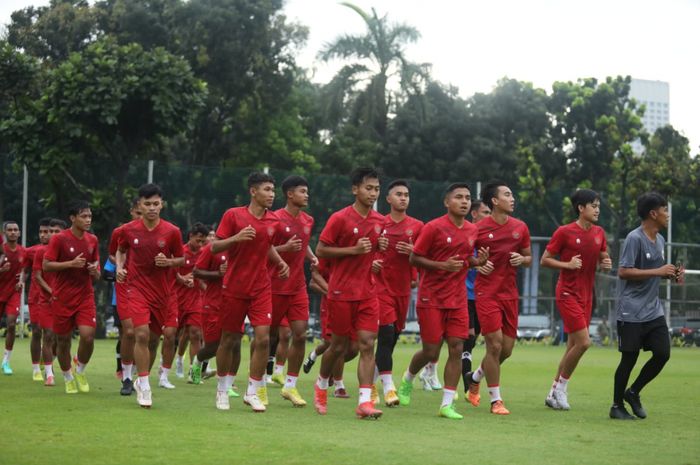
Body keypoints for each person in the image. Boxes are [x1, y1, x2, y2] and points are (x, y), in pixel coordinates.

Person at [397, 183, 488, 419]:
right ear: (447, 202)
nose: (465, 201)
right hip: (431, 297)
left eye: (468, 198)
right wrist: (442, 266)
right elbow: (414, 258)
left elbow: (465, 257)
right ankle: (408, 378)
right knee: (430, 350)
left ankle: (447, 404)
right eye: (459, 197)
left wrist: (476, 262)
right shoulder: (433, 228)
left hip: (457, 299)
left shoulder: (471, 230)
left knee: (457, 348)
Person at [211, 172, 289, 413]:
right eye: (267, 190)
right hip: (234, 286)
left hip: (261, 287)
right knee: (229, 339)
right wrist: (237, 237)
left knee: (264, 338)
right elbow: (214, 246)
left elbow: (267, 246)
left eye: (273, 191)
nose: (271, 195)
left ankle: (252, 392)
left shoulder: (274, 221)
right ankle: (223, 388)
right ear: (253, 191)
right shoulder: (233, 215)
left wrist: (279, 262)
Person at [313, 167, 388, 419]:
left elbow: (374, 251)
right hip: (340, 292)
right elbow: (321, 250)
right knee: (338, 347)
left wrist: (380, 248)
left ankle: (365, 402)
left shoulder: (380, 221)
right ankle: (322, 385)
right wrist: (352, 250)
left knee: (367, 345)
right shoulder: (340, 218)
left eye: (377, 189)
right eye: (368, 188)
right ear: (355, 189)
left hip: (368, 293)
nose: (373, 193)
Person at [609, 192, 683, 420]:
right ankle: (616, 406)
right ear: (653, 213)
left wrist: (671, 275)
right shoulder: (634, 238)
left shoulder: (660, 240)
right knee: (628, 359)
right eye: (664, 209)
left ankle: (633, 392)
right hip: (631, 311)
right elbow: (624, 272)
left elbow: (652, 274)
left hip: (653, 311)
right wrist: (659, 271)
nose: (667, 214)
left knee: (662, 354)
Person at [540, 189, 612, 410]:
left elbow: (603, 255)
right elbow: (545, 260)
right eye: (593, 205)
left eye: (599, 206)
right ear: (581, 208)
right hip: (567, 293)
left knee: (572, 345)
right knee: (584, 342)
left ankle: (553, 392)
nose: (597, 210)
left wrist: (606, 262)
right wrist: (567, 265)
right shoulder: (564, 232)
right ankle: (561, 389)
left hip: (587, 295)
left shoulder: (599, 232)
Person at [465, 180, 532, 415]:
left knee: (506, 350)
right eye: (507, 194)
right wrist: (475, 266)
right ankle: (496, 400)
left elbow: (529, 257)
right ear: (494, 201)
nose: (512, 198)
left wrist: (521, 260)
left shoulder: (520, 227)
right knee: (494, 345)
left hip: (510, 294)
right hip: (486, 294)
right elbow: (464, 256)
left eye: (512, 194)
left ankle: (475, 377)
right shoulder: (478, 228)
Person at [116, 184, 185, 408]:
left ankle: (140, 378)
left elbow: (181, 259)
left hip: (162, 293)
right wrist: (119, 268)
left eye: (156, 204)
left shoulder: (172, 231)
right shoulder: (128, 230)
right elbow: (120, 250)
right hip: (136, 288)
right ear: (139, 206)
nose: (152, 208)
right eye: (147, 204)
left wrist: (168, 262)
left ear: (162, 205)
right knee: (142, 335)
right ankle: (144, 385)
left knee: (154, 339)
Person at [372, 179, 424, 406]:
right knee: (384, 333)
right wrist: (376, 251)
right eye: (399, 194)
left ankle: (370, 383)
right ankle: (388, 387)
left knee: (391, 337)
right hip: (380, 287)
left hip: (403, 290)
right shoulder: (378, 224)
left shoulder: (418, 226)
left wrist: (414, 252)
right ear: (388, 199)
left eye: (406, 195)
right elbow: (366, 252)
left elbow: (425, 256)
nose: (403, 198)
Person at [269, 175, 317, 407]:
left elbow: (303, 241)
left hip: (297, 286)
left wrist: (312, 256)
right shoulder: (275, 218)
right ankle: (255, 384)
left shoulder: (308, 220)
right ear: (289, 194)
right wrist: (284, 249)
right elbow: (263, 247)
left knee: (300, 333)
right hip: (273, 285)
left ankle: (290, 385)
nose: (306, 195)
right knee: (266, 336)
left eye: (307, 191)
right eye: (302, 191)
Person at [43, 201, 100, 394]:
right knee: (63, 340)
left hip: (85, 295)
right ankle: (67, 376)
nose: (88, 220)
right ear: (73, 218)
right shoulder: (59, 239)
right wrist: (70, 264)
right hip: (62, 297)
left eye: (90, 216)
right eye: (84, 216)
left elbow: (97, 271)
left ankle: (80, 370)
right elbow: (46, 265)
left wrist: (94, 270)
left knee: (88, 336)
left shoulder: (93, 240)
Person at [105, 199, 142, 395]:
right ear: (132, 211)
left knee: (148, 336)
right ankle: (127, 377)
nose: (141, 217)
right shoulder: (121, 232)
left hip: (150, 288)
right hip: (126, 286)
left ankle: (141, 376)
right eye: (137, 212)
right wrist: (121, 265)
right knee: (128, 332)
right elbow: (113, 254)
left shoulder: (165, 231)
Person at [461, 200, 491, 399]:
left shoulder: (490, 238)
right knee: (468, 337)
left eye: (490, 212)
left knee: (471, 340)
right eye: (485, 212)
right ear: (474, 213)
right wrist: (475, 265)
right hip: (463, 294)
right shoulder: (468, 234)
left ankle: (431, 369)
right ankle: (466, 384)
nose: (488, 216)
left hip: (482, 296)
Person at [32, 219, 66, 386]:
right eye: (49, 232)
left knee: (63, 338)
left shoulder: (67, 252)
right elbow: (37, 276)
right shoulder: (41, 252)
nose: (51, 235)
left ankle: (59, 364)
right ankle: (49, 373)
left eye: (55, 232)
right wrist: (52, 291)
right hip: (47, 301)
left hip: (65, 302)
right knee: (48, 335)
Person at [174, 222, 209, 382]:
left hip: (196, 299)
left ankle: (194, 373)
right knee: (173, 335)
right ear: (190, 237)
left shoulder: (204, 253)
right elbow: (170, 273)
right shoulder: (180, 252)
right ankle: (173, 362)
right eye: (198, 240)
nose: (200, 244)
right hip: (176, 298)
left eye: (203, 241)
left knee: (195, 334)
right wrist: (182, 280)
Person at [0, 221, 27, 375]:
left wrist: (21, 281)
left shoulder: (23, 252)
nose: (12, 232)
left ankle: (6, 361)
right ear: (4, 233)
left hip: (13, 294)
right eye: (9, 230)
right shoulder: (1, 251)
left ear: (19, 233)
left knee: (11, 325)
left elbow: (24, 271)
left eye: (15, 230)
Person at [27, 218, 52, 380]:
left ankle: (50, 363)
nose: (44, 235)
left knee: (53, 334)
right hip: (36, 298)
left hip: (57, 298)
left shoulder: (61, 250)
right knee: (37, 332)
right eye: (41, 232)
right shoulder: (33, 251)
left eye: (47, 232)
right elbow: (20, 263)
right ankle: (36, 367)